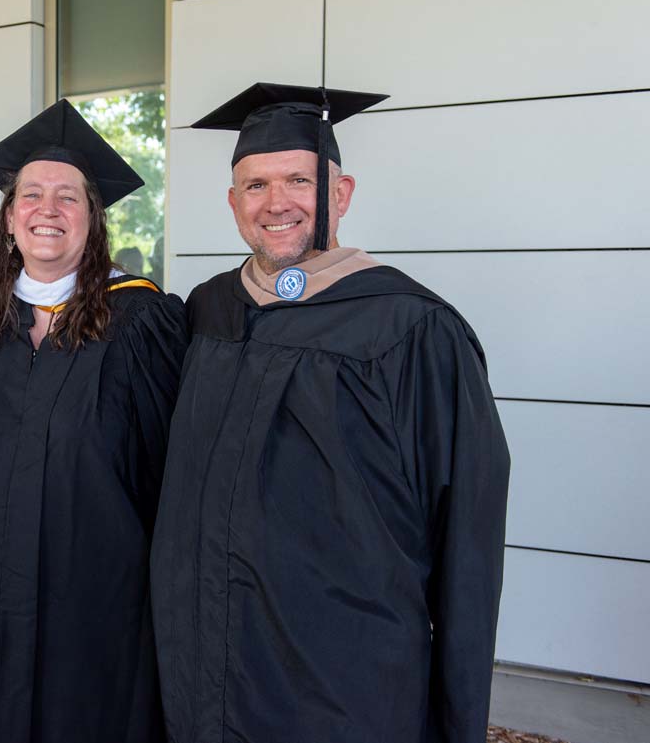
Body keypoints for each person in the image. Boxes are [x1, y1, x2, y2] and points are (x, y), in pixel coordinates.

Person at [150, 83, 511, 743]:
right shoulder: (209, 310)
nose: (276, 202)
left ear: (341, 194)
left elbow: (467, 537)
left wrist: (455, 714)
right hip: (206, 673)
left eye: (299, 180)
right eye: (256, 185)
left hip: (343, 683)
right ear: (233, 203)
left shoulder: (410, 328)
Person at [0, 99, 189, 743]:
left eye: (68, 196)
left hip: (94, 595)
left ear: (93, 218)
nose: (47, 208)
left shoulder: (140, 321)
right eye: (31, 194)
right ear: (9, 216)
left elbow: (168, 472)